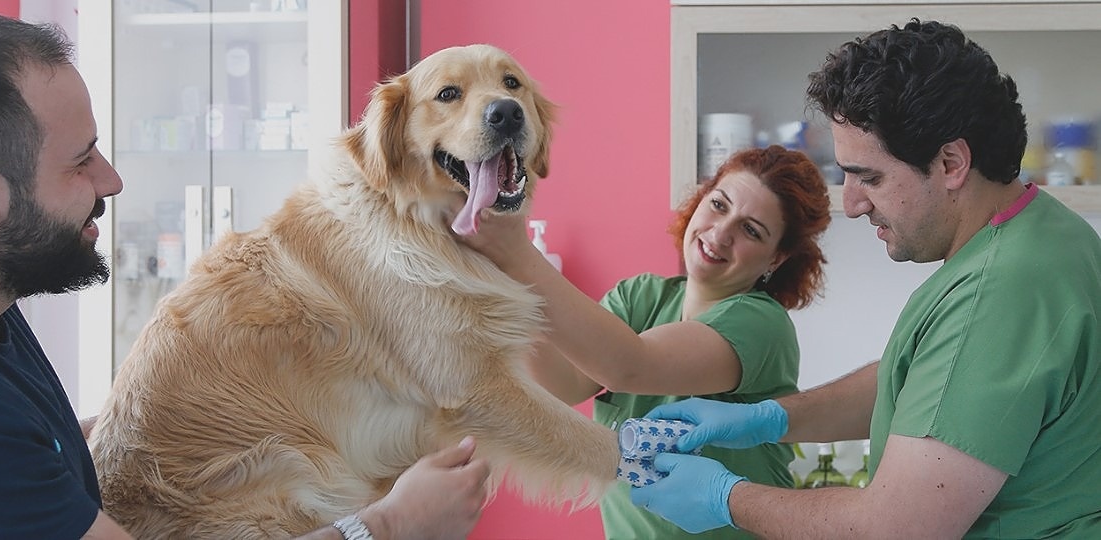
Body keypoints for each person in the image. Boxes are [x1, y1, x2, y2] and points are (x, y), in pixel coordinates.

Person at [0, 11, 488, 540]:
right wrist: (387, 526)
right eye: (79, 163)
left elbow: (35, 452)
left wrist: (203, 408)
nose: (112, 180)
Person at [630, 18, 1101, 538]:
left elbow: (895, 528)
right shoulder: (1042, 229)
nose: (852, 204)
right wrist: (772, 419)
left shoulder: (1000, 292)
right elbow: (930, 389)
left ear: (950, 162)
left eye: (869, 177)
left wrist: (727, 498)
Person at [459, 145, 831, 538]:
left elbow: (630, 367)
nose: (721, 234)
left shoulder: (762, 325)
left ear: (776, 259)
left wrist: (518, 254)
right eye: (719, 204)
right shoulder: (641, 298)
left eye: (751, 230)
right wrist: (502, 279)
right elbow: (562, 384)